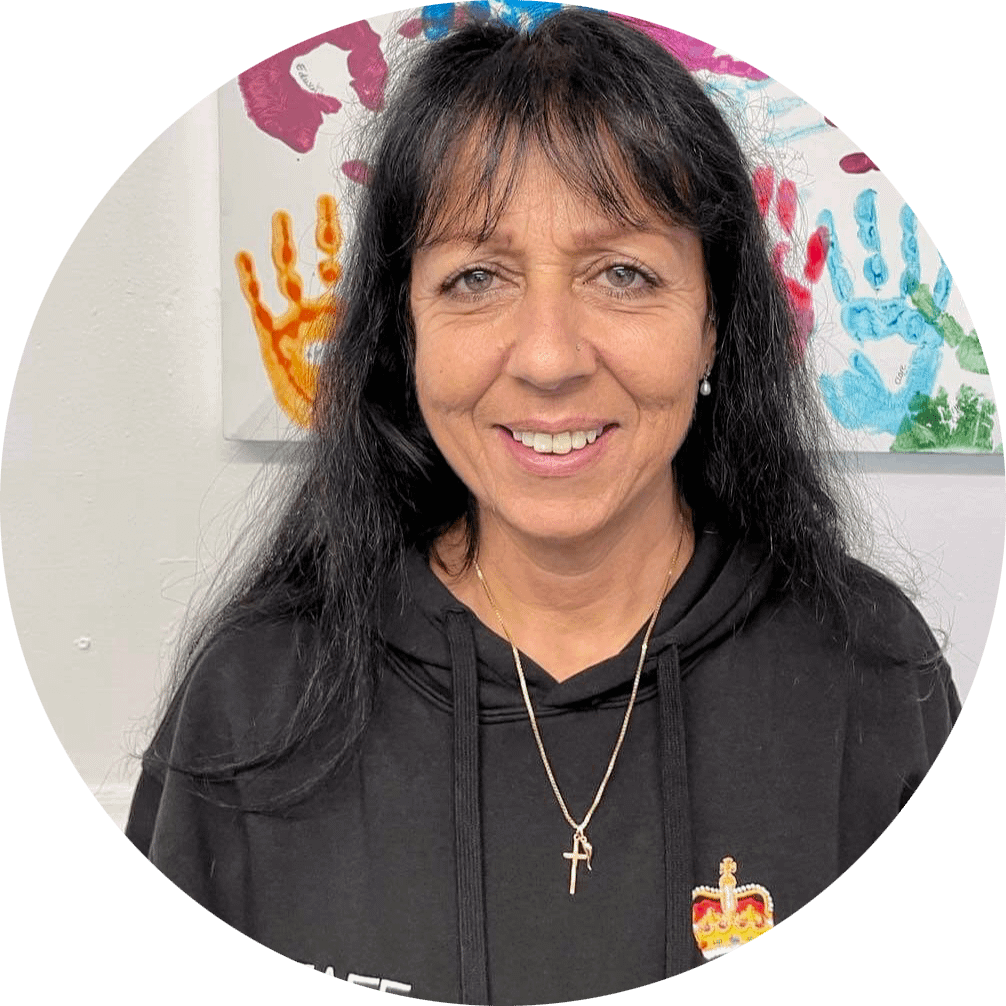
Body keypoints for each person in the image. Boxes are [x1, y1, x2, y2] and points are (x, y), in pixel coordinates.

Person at [126, 9, 959, 1001]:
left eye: (623, 273)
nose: (550, 357)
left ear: (713, 324)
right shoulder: (254, 694)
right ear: (405, 333)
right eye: (476, 277)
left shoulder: (870, 675)